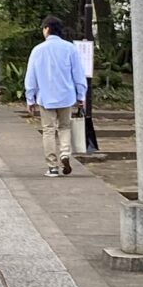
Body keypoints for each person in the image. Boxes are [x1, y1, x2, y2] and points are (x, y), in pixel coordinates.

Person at [22, 15, 88, 176]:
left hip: (45, 97)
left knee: (49, 130)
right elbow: (78, 74)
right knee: (65, 126)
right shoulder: (70, 48)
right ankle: (65, 153)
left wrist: (30, 98)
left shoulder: (38, 50)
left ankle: (52, 166)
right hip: (66, 96)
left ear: (47, 29)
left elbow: (31, 77)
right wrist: (81, 95)